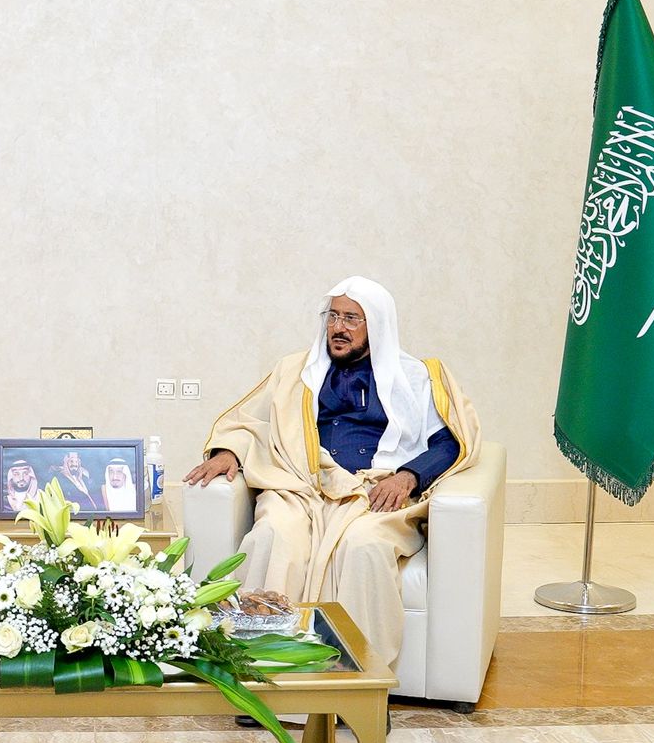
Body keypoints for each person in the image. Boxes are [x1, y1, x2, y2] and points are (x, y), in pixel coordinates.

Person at [184, 277, 479, 670]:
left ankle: (356, 673)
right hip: (300, 487)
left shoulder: (417, 377)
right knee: (274, 534)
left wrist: (407, 476)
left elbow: (450, 441)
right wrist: (228, 452)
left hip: (375, 493)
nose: (339, 327)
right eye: (333, 316)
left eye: (352, 319)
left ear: (377, 325)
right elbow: (251, 421)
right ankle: (261, 664)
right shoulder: (296, 371)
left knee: (363, 545)